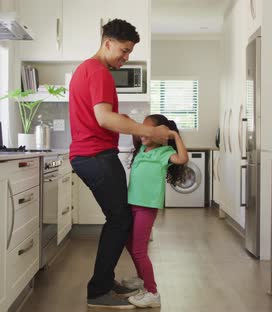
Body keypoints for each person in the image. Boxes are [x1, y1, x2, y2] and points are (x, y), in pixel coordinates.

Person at [69, 19, 172, 309]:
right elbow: (104, 118)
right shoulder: (99, 72)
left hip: (89, 156)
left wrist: (129, 124)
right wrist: (149, 131)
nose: (125, 57)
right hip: (96, 156)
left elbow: (105, 118)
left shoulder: (85, 70)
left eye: (129, 53)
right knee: (120, 220)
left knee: (118, 218)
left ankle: (103, 282)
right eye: (124, 51)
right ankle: (98, 291)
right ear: (107, 43)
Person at [121, 114, 189, 308]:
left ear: (160, 133)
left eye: (148, 129)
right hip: (132, 203)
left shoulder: (164, 152)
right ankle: (142, 279)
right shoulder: (141, 149)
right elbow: (133, 131)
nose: (144, 132)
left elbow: (183, 158)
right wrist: (127, 120)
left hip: (146, 207)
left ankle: (152, 293)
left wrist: (174, 136)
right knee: (129, 242)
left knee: (139, 250)